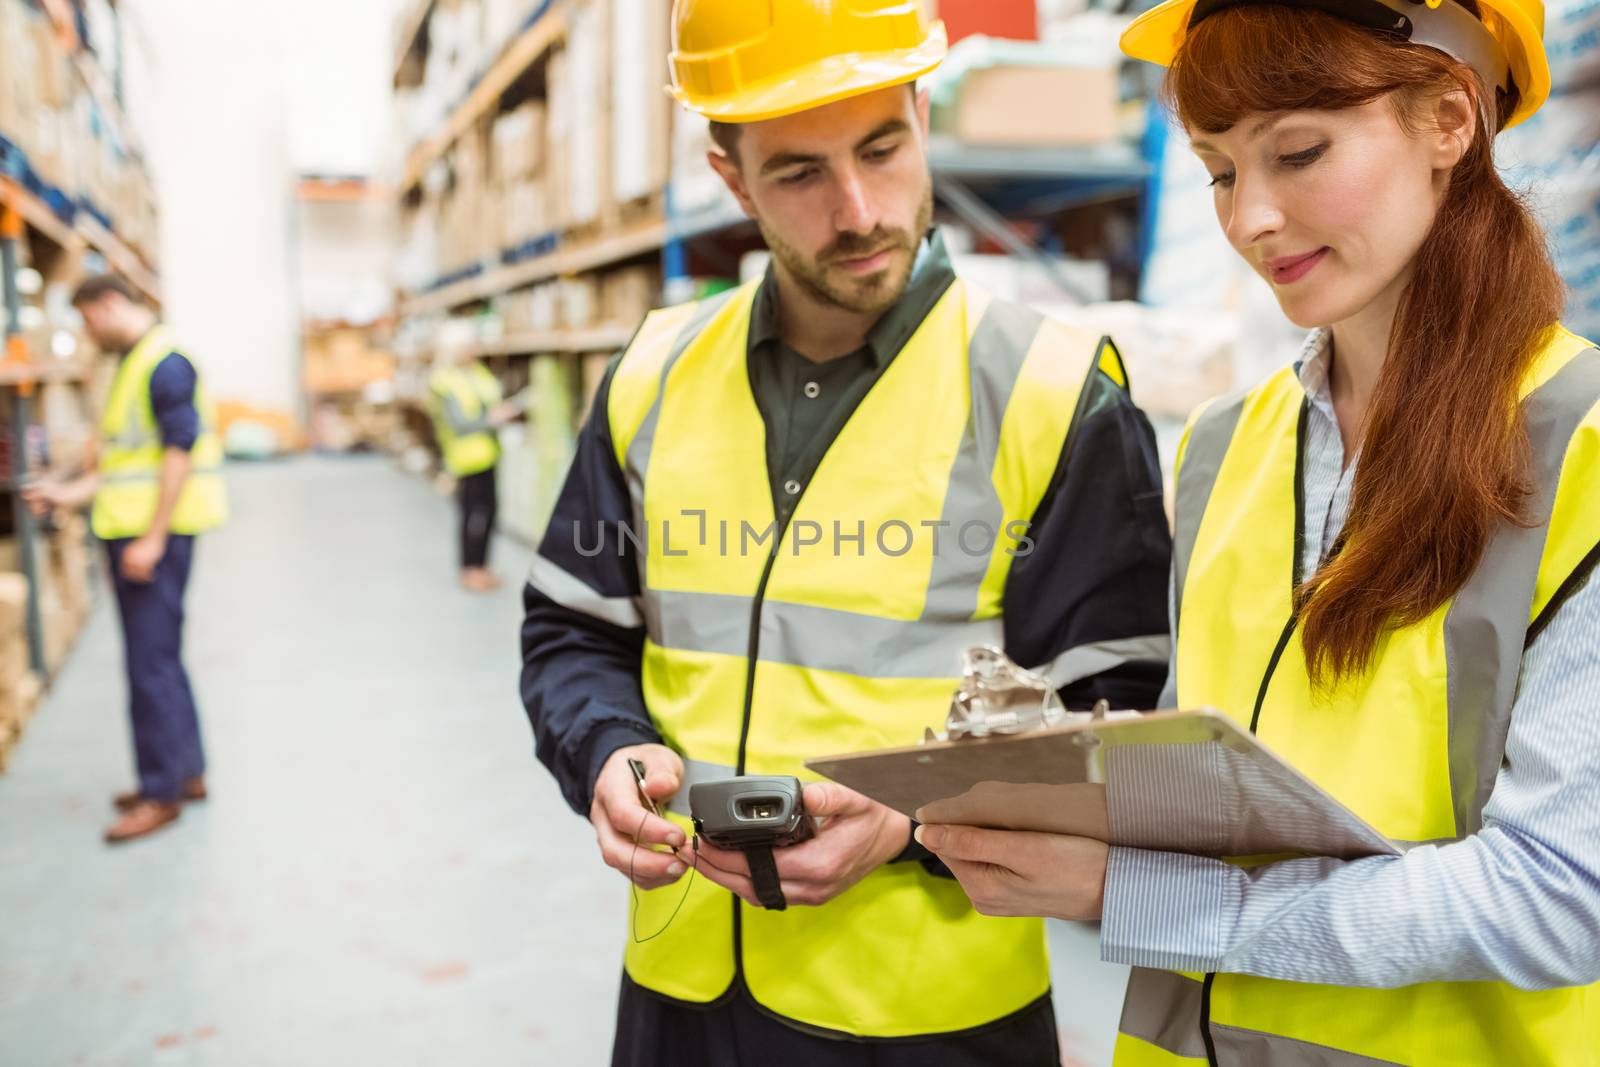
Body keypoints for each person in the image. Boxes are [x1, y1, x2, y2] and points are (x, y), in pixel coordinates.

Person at [914, 0, 1600, 1062]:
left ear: (1450, 120)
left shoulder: (1581, 449)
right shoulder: (1222, 448)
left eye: (1298, 152)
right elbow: (1219, 790)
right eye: (1221, 170)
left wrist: (1131, 892)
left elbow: (1560, 893)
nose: (1250, 220)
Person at [518, 1, 1171, 1063]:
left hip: (925, 1012)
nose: (859, 210)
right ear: (730, 176)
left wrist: (910, 818)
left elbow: (1117, 714)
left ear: (921, 112)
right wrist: (607, 747)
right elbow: (571, 629)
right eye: (798, 173)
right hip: (682, 983)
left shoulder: (1054, 392)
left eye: (881, 148)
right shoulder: (654, 373)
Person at [23, 274, 227, 844]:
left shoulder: (164, 363)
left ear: (110, 305)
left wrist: (153, 537)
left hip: (149, 539)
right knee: (162, 656)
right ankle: (186, 772)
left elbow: (177, 451)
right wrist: (68, 493)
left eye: (88, 321)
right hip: (135, 527)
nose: (89, 334)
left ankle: (160, 793)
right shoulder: (134, 361)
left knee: (149, 664)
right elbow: (124, 463)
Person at [427, 321, 518, 592]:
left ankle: (482, 566)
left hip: (488, 454)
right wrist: (492, 419)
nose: (476, 349)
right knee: (472, 516)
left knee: (489, 513)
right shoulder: (443, 379)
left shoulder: (476, 373)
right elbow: (459, 423)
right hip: (466, 459)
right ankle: (470, 570)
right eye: (470, 345)